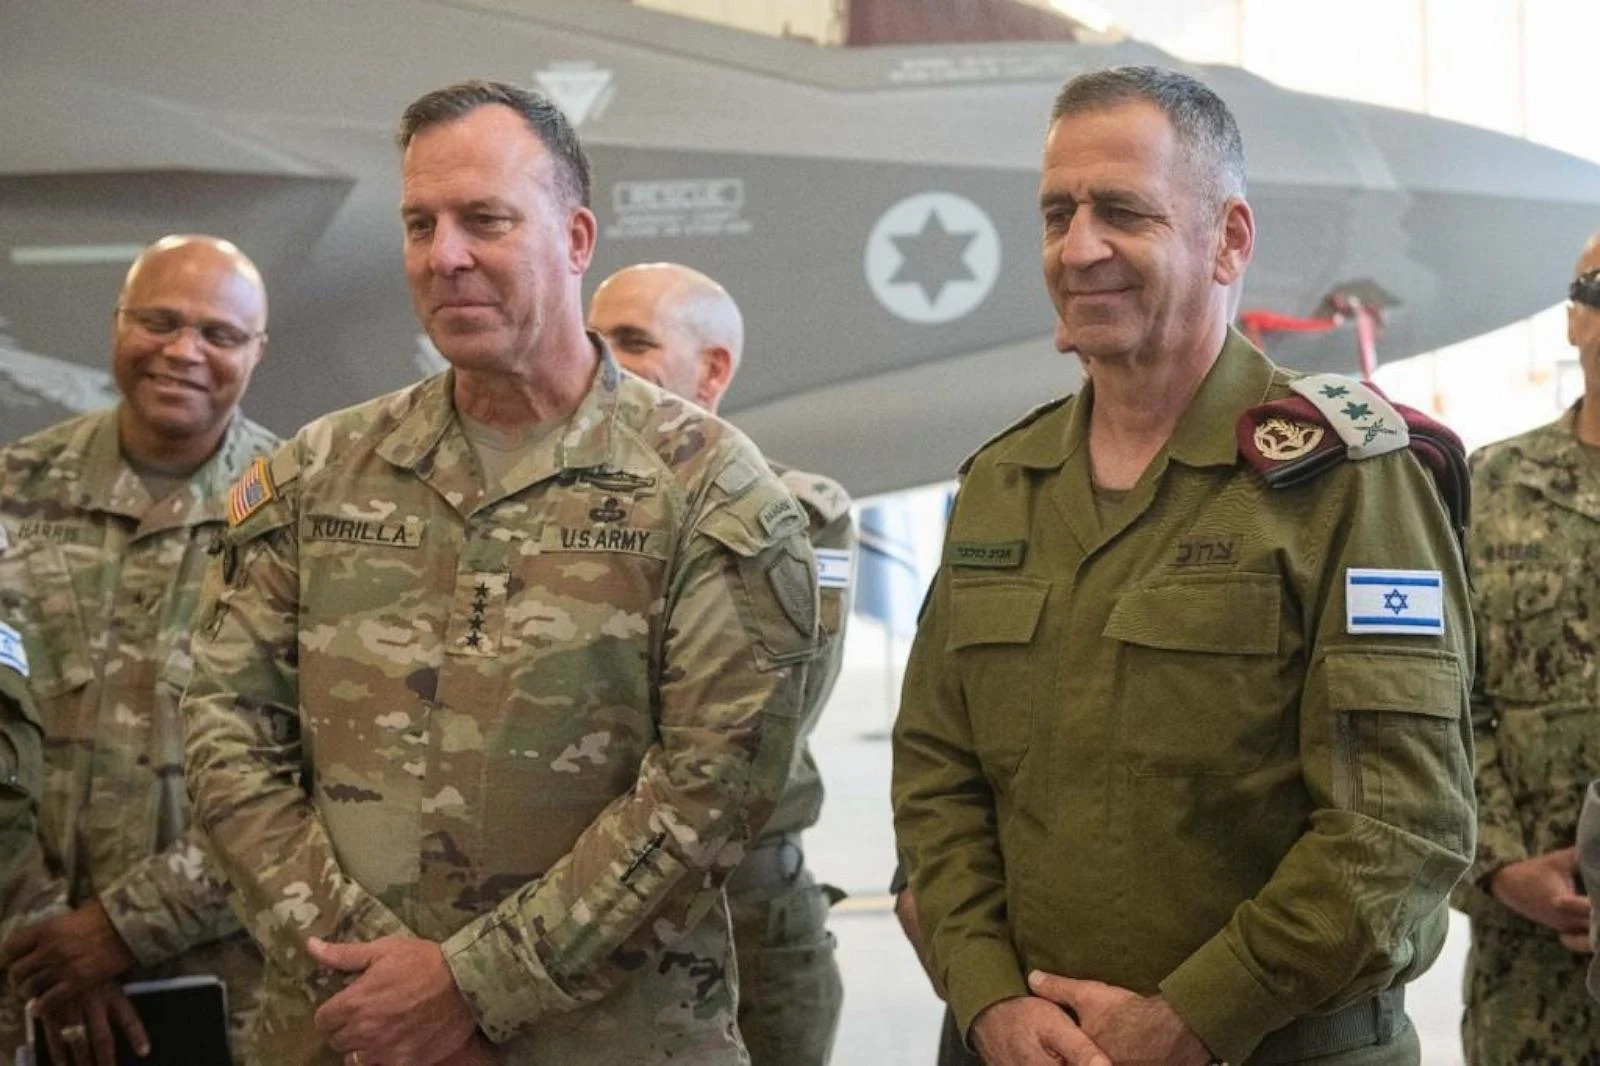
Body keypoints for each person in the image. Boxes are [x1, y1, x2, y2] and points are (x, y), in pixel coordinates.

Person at [181, 80, 816, 1066]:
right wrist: (372, 980)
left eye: (485, 220)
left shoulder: (709, 489)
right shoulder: (316, 473)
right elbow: (226, 734)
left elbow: (712, 786)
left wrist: (472, 990)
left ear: (573, 238)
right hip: (343, 1031)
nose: (445, 255)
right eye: (419, 224)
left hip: (603, 1039)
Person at [891, 65, 1475, 1066]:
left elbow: (1399, 828)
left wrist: (1194, 1017)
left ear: (1229, 240)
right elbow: (936, 780)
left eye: (1123, 212)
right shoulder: (1002, 483)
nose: (1079, 249)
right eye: (1056, 213)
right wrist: (987, 997)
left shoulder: (1346, 481)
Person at [0, 235, 276, 1064]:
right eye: (159, 321)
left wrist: (124, 929)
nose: (183, 351)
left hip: (234, 995)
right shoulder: (12, 492)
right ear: (117, 323)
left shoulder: (302, 513)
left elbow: (323, 770)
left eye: (219, 334)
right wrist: (43, 938)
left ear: (257, 352)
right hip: (18, 990)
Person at [589, 262, 853, 1066]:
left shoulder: (797, 517)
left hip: (744, 920)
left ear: (712, 370)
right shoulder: (537, 514)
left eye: (633, 341)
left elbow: (754, 722)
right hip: (570, 925)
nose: (604, 360)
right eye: (592, 340)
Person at [1456, 234, 1600, 1062]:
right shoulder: (1493, 488)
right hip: (1528, 988)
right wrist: (1501, 866)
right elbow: (1445, 702)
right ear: (1573, 317)